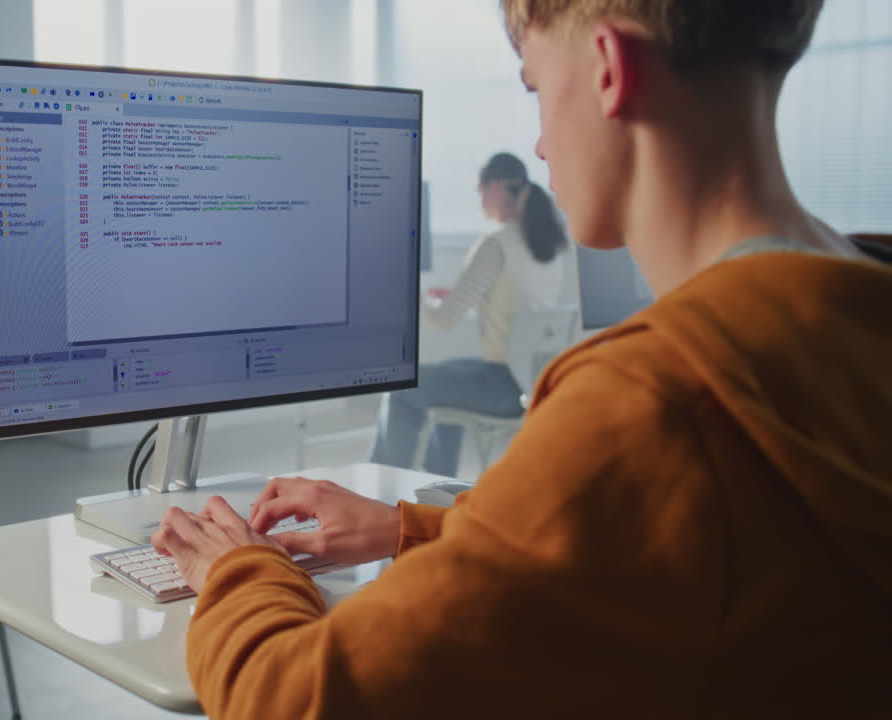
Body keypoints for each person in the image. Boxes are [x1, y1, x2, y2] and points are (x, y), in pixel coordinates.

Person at [149, 0, 892, 717]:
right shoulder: (852, 311)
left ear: (608, 68)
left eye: (535, 88)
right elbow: (653, 549)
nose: (540, 144)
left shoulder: (652, 405)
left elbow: (299, 703)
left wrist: (237, 571)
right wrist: (413, 532)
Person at [371, 151, 567, 476]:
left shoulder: (494, 244)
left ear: (496, 188)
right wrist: (455, 297)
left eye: (480, 189)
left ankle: (380, 486)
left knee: (402, 385)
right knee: (447, 377)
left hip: (501, 385)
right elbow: (516, 306)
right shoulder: (547, 244)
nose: (478, 198)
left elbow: (443, 320)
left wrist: (416, 299)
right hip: (535, 383)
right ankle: (437, 486)